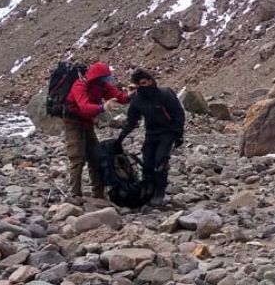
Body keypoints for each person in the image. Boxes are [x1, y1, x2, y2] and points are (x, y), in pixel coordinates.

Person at [118, 68, 185, 205]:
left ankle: (160, 190)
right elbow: (131, 121)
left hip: (168, 131)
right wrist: (120, 138)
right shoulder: (137, 100)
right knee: (147, 162)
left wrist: (178, 134)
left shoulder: (165, 94)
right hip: (151, 133)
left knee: (160, 160)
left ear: (150, 81)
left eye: (144, 83)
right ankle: (149, 189)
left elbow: (179, 114)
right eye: (138, 85)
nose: (142, 87)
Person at [63, 62, 129, 200]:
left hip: (87, 122)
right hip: (73, 122)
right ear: (96, 78)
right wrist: (103, 107)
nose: (106, 82)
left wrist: (131, 94)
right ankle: (75, 194)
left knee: (95, 156)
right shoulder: (79, 85)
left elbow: (120, 97)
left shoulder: (102, 86)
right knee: (77, 158)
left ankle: (98, 193)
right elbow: (84, 107)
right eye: (104, 78)